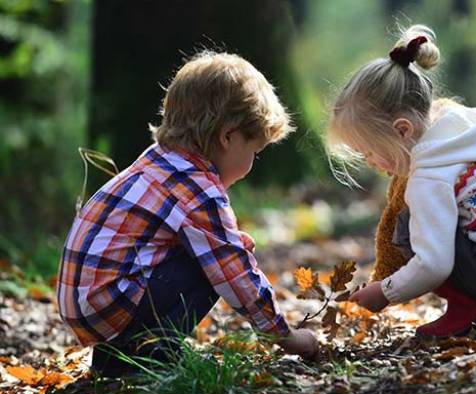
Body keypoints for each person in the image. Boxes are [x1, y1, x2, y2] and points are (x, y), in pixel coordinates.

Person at [57, 51, 318, 377]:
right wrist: (285, 336)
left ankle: (116, 358)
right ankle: (154, 353)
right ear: (228, 136)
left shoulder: (159, 159)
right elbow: (234, 270)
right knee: (219, 260)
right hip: (110, 305)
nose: (253, 164)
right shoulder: (196, 189)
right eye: (255, 152)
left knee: (216, 250)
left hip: (88, 305)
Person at [331, 25, 476, 338]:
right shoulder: (473, 130)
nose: (371, 164)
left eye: (369, 153)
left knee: (406, 224)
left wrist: (385, 291)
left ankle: (470, 309)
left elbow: (434, 265)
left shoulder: (430, 176)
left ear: (402, 131)